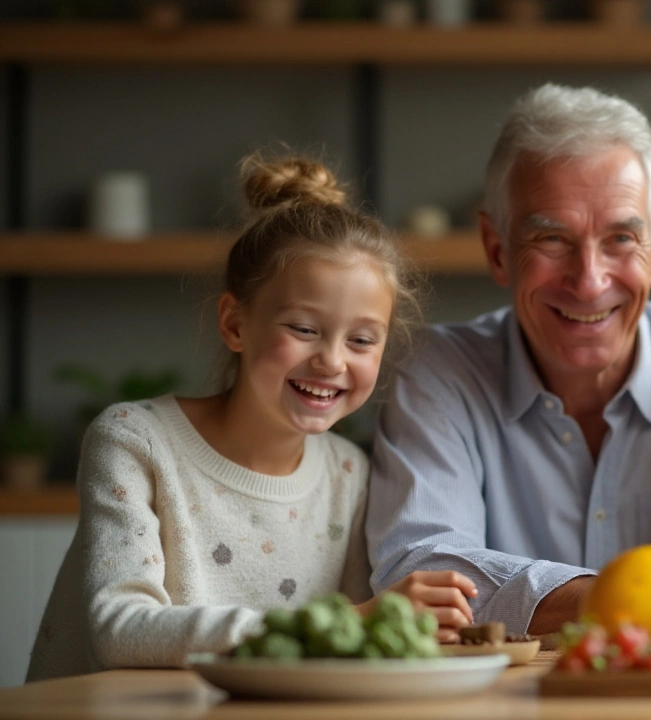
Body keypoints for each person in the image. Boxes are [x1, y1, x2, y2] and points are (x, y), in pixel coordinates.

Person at [27, 155, 476, 682]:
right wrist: (353, 619)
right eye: (304, 329)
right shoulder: (134, 441)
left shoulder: (349, 475)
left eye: (360, 340)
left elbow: (344, 657)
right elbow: (121, 630)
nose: (332, 361)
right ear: (235, 323)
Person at [366, 84, 651, 635]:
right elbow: (420, 570)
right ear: (496, 249)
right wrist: (647, 596)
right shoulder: (439, 373)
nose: (589, 282)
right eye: (553, 239)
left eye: (620, 239)